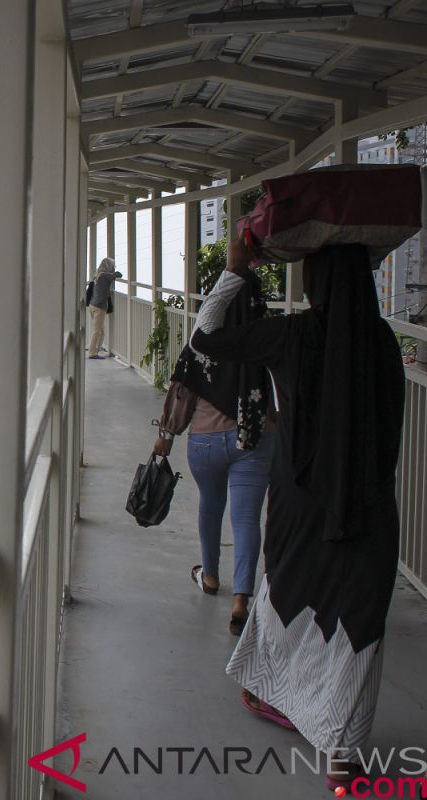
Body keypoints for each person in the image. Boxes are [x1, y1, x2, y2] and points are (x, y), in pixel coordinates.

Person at [193, 238, 405, 790]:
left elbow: (204, 338)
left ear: (313, 284)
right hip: (368, 503)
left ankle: (274, 693)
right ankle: (342, 754)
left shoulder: (293, 336)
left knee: (288, 596)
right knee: (358, 625)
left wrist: (235, 273)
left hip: (299, 498)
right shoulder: (382, 341)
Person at [153, 266, 274, 635]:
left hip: (205, 440)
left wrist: (167, 436)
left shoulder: (203, 340)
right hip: (253, 438)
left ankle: (209, 576)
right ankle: (241, 597)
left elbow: (182, 391)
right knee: (247, 518)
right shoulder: (270, 336)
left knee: (211, 505)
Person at [87, 257, 122, 359]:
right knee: (97, 331)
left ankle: (95, 350)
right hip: (99, 307)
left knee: (100, 332)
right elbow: (118, 275)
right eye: (112, 266)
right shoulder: (105, 275)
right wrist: (114, 272)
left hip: (92, 305)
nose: (113, 267)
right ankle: (92, 353)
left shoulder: (98, 274)